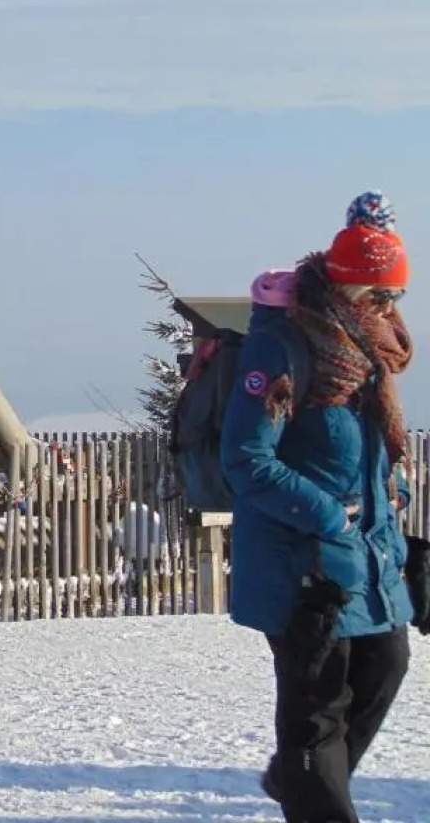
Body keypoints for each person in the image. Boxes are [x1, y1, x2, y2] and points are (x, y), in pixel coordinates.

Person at [221, 191, 414, 823]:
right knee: (316, 715)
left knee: (386, 663)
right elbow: (247, 461)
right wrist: (332, 517)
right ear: (343, 291)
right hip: (301, 566)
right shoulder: (284, 350)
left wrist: (392, 503)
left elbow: (363, 454)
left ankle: (300, 781)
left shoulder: (368, 355)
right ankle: (310, 786)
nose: (388, 309)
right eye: (376, 296)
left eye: (396, 297)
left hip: (362, 557)